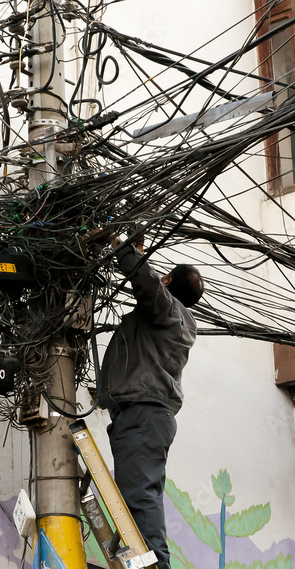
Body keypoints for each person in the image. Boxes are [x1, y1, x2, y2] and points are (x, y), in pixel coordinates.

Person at [96, 233, 203, 569]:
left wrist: (121, 245)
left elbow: (146, 281)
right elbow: (152, 283)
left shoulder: (167, 311)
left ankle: (155, 565)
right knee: (143, 497)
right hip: (147, 416)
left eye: (164, 276)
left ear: (168, 280)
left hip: (142, 415)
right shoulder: (174, 321)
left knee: (140, 499)